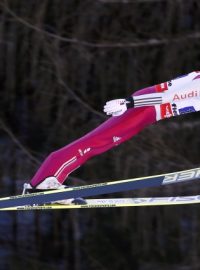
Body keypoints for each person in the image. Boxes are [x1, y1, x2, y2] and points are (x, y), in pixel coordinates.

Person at [23, 71, 200, 204]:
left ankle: (49, 185)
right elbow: (165, 96)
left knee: (98, 143)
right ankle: (43, 183)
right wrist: (129, 103)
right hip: (146, 106)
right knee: (95, 142)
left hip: (148, 112)